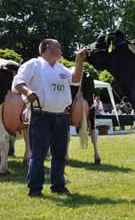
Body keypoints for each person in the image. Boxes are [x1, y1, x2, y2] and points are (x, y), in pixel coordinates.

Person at [12, 39, 86, 197]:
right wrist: (27, 92)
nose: (61, 49)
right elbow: (18, 82)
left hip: (61, 115)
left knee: (59, 153)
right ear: (46, 48)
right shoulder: (34, 64)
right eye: (57, 46)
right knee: (38, 154)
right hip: (41, 115)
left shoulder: (61, 68)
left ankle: (58, 185)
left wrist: (79, 60)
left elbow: (75, 79)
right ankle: (35, 189)